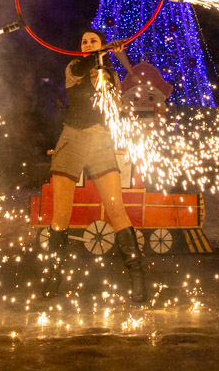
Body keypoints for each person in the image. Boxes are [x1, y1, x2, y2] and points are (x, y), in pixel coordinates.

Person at [42, 29, 147, 302]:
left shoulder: (110, 74)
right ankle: (53, 280)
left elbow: (113, 105)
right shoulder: (74, 66)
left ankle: (138, 281)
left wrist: (115, 57)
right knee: (61, 214)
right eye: (84, 41)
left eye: (93, 41)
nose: (88, 44)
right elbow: (83, 72)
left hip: (100, 141)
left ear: (100, 44)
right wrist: (103, 51)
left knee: (116, 209)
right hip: (72, 139)